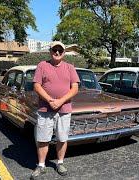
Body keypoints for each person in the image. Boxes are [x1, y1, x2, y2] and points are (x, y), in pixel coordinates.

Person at [30, 41, 80, 179]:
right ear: (50, 51)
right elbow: (37, 86)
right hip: (45, 109)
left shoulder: (70, 67)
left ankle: (60, 163)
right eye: (54, 50)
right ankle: (41, 165)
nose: (57, 52)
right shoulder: (42, 65)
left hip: (64, 109)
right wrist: (50, 100)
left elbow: (75, 88)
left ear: (64, 52)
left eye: (60, 50)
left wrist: (60, 101)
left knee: (62, 138)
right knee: (42, 139)